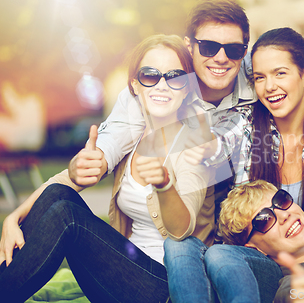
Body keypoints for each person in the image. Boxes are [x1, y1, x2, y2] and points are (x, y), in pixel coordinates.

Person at [0, 34, 215, 302]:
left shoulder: (196, 144)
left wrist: (164, 185)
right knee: (58, 195)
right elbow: (62, 182)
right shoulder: (133, 138)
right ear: (135, 86)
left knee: (68, 215)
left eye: (174, 77)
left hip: (166, 287)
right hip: (121, 271)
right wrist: (14, 218)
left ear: (186, 89)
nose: (162, 85)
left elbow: (183, 229)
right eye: (150, 75)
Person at [163, 27, 304, 303]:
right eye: (259, 77)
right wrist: (204, 145)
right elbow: (217, 142)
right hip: (250, 261)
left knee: (218, 255)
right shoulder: (244, 125)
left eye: (280, 73)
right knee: (178, 247)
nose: (269, 87)